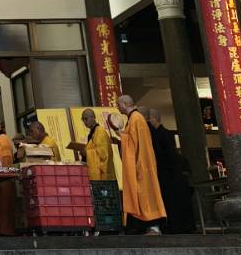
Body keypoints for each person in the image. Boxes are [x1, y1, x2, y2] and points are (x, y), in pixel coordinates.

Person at [112, 95, 165, 234]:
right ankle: (143, 226)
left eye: (118, 104)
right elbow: (131, 139)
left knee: (146, 194)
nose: (117, 107)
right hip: (138, 162)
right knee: (140, 195)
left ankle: (153, 226)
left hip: (142, 164)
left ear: (125, 104)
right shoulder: (133, 119)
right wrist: (122, 137)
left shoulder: (136, 118)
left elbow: (133, 142)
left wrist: (121, 136)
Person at [145, 109, 192, 234]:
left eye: (149, 119)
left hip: (168, 173)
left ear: (155, 118)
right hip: (170, 172)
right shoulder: (166, 133)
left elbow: (166, 155)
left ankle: (172, 227)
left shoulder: (161, 134)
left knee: (171, 202)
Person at [71, 108, 115, 183]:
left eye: (86, 119)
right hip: (95, 174)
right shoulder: (93, 132)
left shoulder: (100, 132)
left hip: (102, 176)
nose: (84, 122)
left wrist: (87, 153)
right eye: (83, 119)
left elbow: (104, 154)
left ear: (93, 117)